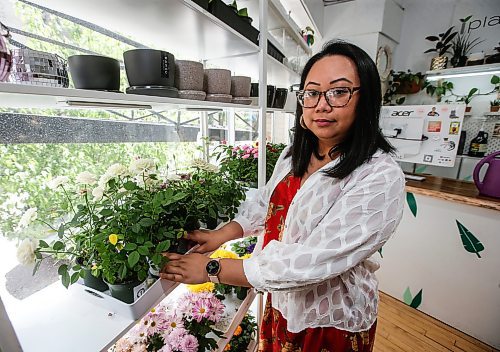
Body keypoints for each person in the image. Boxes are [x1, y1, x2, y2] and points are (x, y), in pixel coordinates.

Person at [161, 40, 405, 352]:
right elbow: (267, 204)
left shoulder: (379, 176)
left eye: (339, 91)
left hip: (329, 320)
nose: (322, 104)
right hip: (280, 299)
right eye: (312, 92)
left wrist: (214, 269)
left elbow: (314, 261)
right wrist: (222, 235)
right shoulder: (295, 154)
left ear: (366, 98)